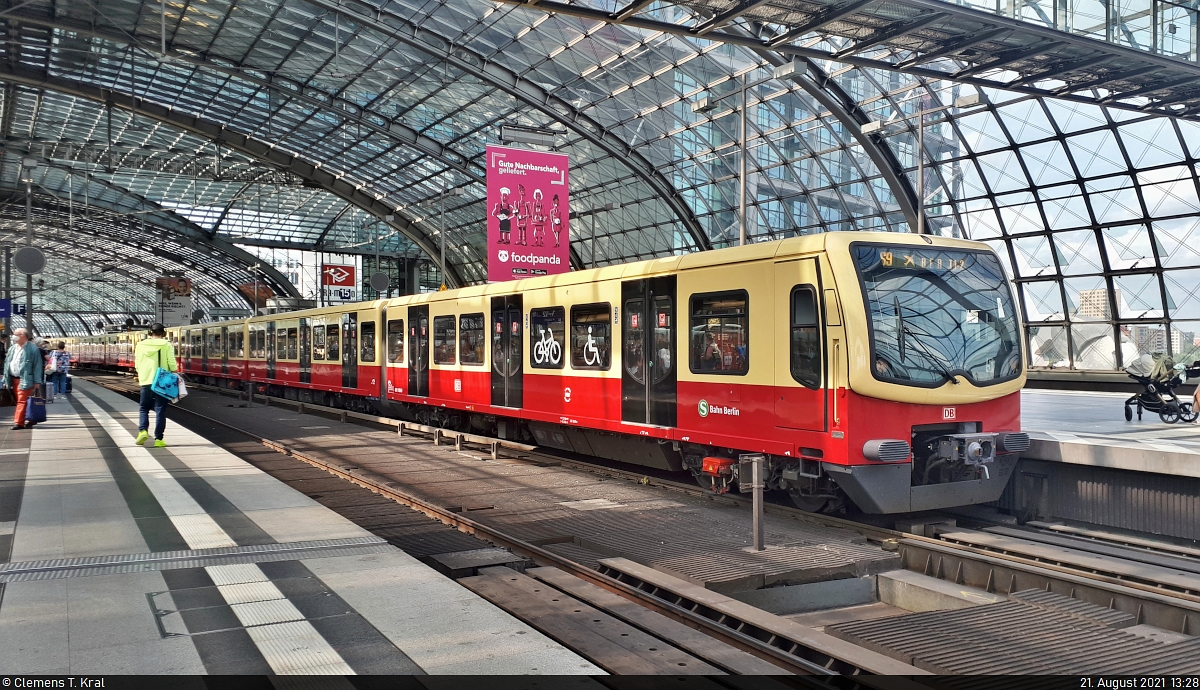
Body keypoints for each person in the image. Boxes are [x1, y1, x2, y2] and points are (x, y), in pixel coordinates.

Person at [134, 323, 178, 447]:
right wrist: (175, 373)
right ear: (163, 334)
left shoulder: (140, 345)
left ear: (150, 333)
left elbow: (137, 363)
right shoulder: (166, 345)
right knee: (160, 409)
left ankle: (142, 431)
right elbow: (171, 362)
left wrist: (142, 373)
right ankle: (158, 439)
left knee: (144, 408)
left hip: (145, 380)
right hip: (161, 380)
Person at [4, 328, 44, 430]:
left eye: (17, 334)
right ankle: (31, 419)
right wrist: (5, 378)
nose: (14, 336)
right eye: (14, 334)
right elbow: (7, 363)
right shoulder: (13, 348)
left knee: (21, 401)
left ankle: (19, 422)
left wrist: (37, 381)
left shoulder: (32, 349)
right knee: (22, 401)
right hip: (13, 379)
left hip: (26, 379)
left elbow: (37, 365)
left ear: (24, 336)